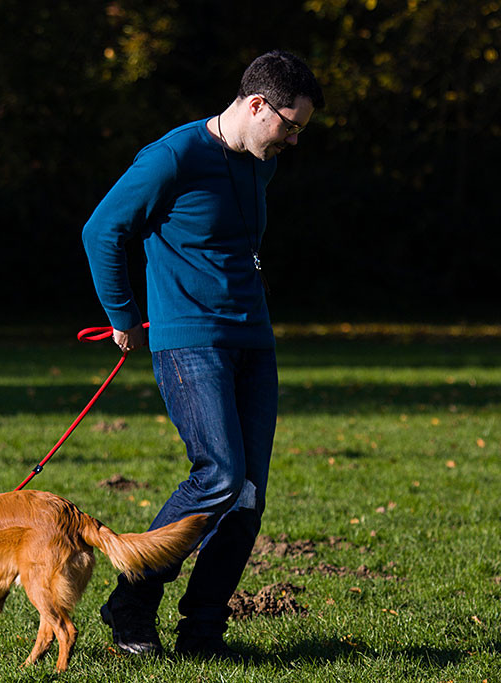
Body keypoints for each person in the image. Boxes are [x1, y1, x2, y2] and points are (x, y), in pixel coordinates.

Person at [81, 50, 324, 661]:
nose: (294, 139)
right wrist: (121, 316)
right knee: (218, 475)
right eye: (290, 125)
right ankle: (132, 602)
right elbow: (102, 230)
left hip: (254, 344)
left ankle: (204, 632)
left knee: (247, 495)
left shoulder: (261, 164)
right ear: (257, 105)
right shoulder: (173, 156)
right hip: (191, 342)